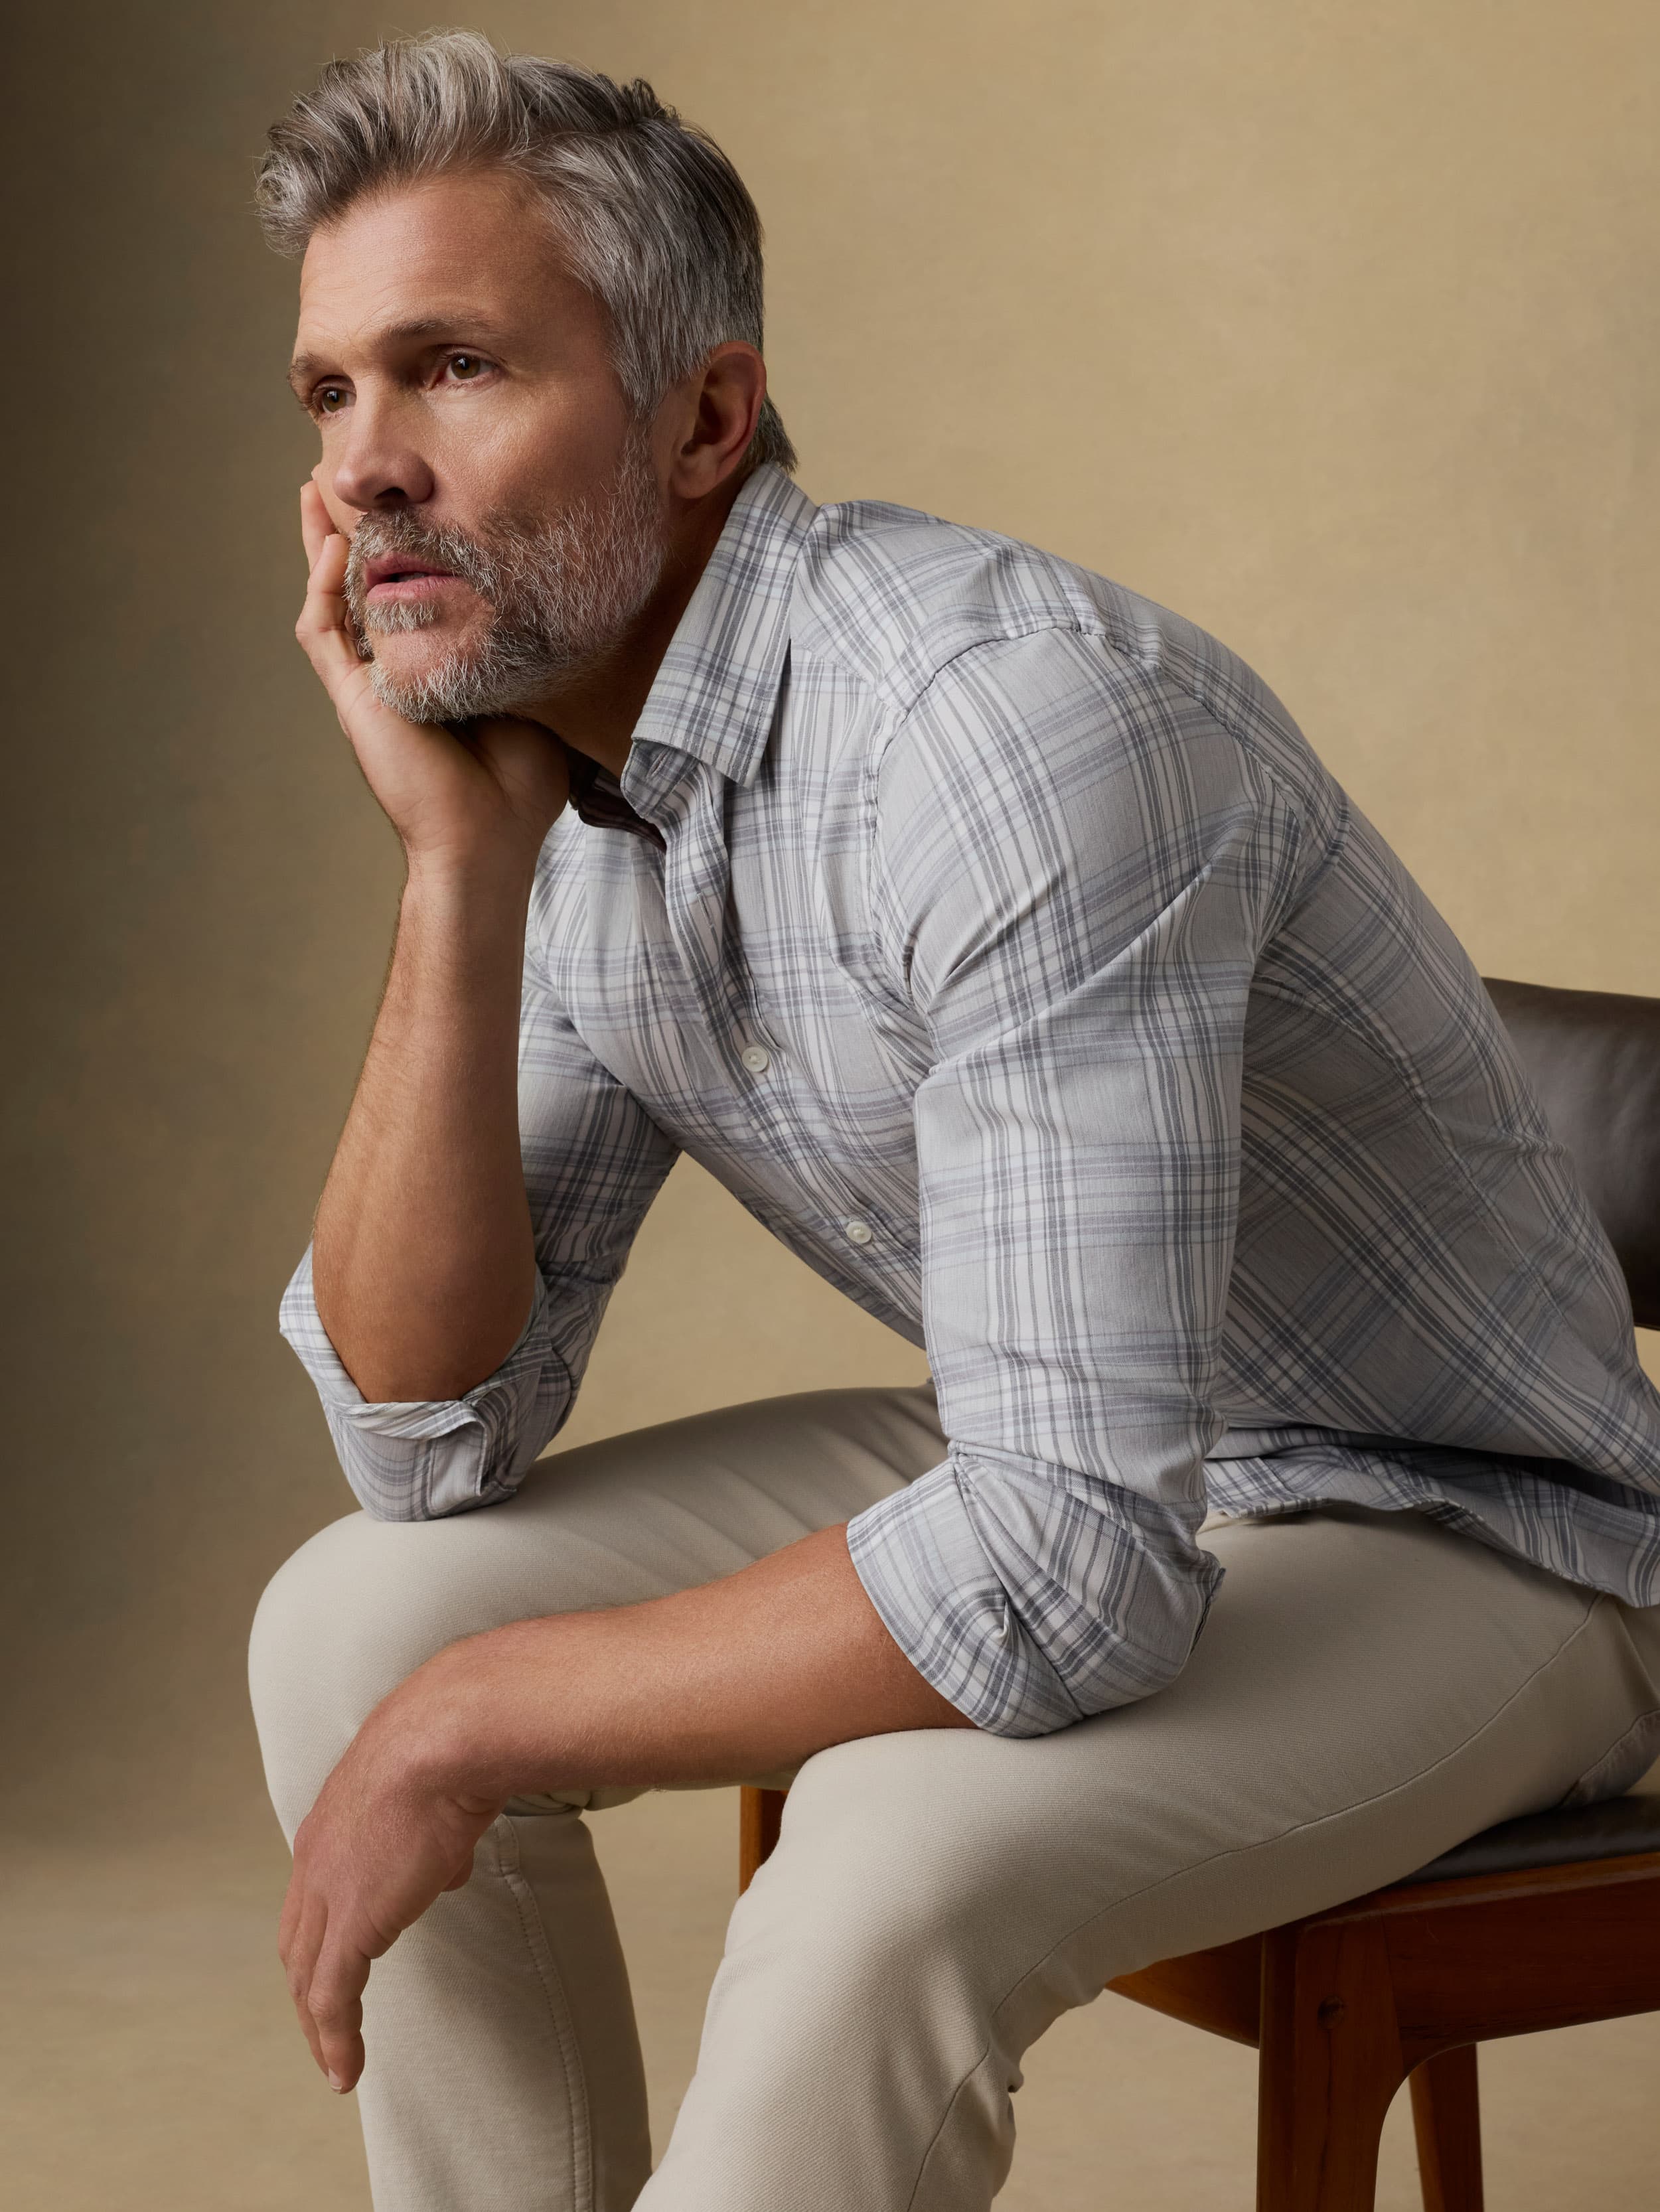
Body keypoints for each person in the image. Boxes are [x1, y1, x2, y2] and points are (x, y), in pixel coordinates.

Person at [248, 29, 1660, 2212]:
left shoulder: (1002, 736)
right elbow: (430, 1436)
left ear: (706, 417)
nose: (364, 472)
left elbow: (1073, 1573)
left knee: (875, 1845)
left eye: (452, 369)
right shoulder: (573, 764)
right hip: (1110, 1452)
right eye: (333, 393)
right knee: (351, 1622)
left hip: (1474, 1533)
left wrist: (482, 1720)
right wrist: (456, 876)